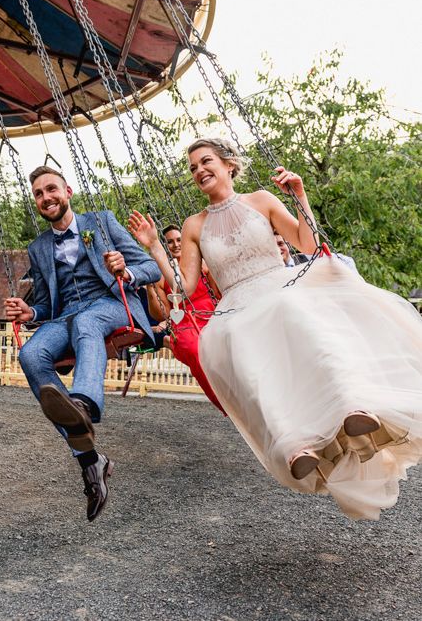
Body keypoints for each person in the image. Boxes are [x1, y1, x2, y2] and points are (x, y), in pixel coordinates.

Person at [128, 137, 422, 520]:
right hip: (237, 304)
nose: (199, 171)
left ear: (229, 164)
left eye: (206, 162)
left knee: (302, 323)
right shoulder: (193, 225)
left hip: (280, 286)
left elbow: (307, 241)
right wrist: (153, 247)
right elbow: (184, 288)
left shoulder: (262, 200)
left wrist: (299, 193)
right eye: (193, 168)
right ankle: (295, 445)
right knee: (247, 354)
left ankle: (353, 408)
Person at [4, 166, 160, 522]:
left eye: (51, 189)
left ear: (68, 191)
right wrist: (31, 311)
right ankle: (90, 460)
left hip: (111, 305)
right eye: (39, 194)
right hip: (66, 316)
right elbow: (46, 303)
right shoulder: (39, 247)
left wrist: (126, 270)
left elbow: (149, 268)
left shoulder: (102, 222)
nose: (46, 198)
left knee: (88, 322)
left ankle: (84, 406)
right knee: (30, 353)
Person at [145, 225, 225, 415]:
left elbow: (217, 293)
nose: (175, 245)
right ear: (164, 246)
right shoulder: (161, 274)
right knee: (192, 347)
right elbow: (162, 313)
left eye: (179, 240)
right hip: (184, 320)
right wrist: (150, 288)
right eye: (170, 242)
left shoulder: (202, 262)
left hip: (211, 312)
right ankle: (223, 401)